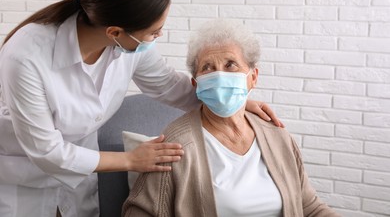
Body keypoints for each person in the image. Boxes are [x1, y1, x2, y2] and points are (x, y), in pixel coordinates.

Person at [0, 0, 283, 216]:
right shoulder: (25, 57)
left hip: (80, 177)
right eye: (153, 31)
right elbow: (47, 151)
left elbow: (168, 85)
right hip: (24, 175)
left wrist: (230, 100)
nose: (159, 35)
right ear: (115, 32)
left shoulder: (130, 47)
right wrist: (131, 160)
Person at [122, 19, 341, 217]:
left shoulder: (277, 135)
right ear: (196, 84)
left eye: (230, 65)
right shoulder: (177, 144)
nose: (220, 75)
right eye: (207, 67)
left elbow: (309, 206)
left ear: (253, 77)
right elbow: (138, 212)